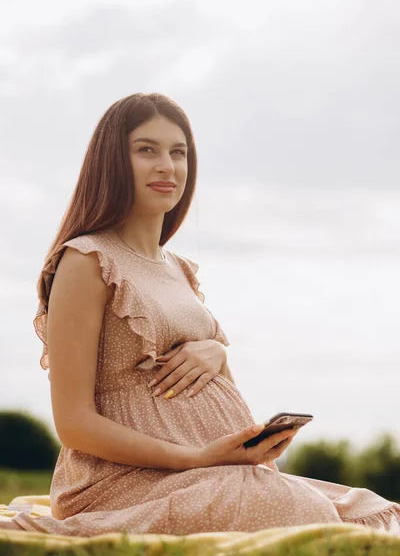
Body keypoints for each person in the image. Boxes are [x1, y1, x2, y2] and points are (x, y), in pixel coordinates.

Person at [2, 93, 399, 537]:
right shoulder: (87, 260)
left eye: (178, 152)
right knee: (295, 509)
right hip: (125, 482)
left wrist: (217, 355)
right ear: (111, 162)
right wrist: (194, 458)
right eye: (146, 150)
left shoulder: (179, 270)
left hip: (213, 470)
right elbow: (73, 423)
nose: (167, 166)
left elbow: (215, 390)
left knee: (372, 510)